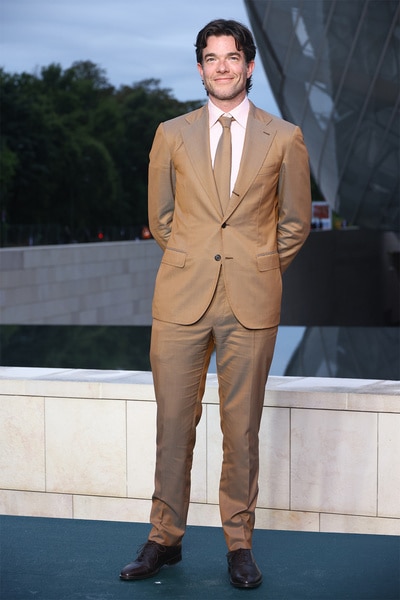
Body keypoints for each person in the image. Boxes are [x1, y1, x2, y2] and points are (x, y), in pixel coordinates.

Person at [120, 18, 311, 589]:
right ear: (200, 67)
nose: (222, 66)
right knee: (174, 424)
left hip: (252, 300)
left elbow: (296, 224)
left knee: (241, 429)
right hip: (180, 298)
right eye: (211, 57)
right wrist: (198, 257)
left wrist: (254, 267)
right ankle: (164, 538)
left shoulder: (286, 138)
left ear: (249, 66)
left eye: (232, 57)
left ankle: (239, 544)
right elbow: (161, 219)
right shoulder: (171, 134)